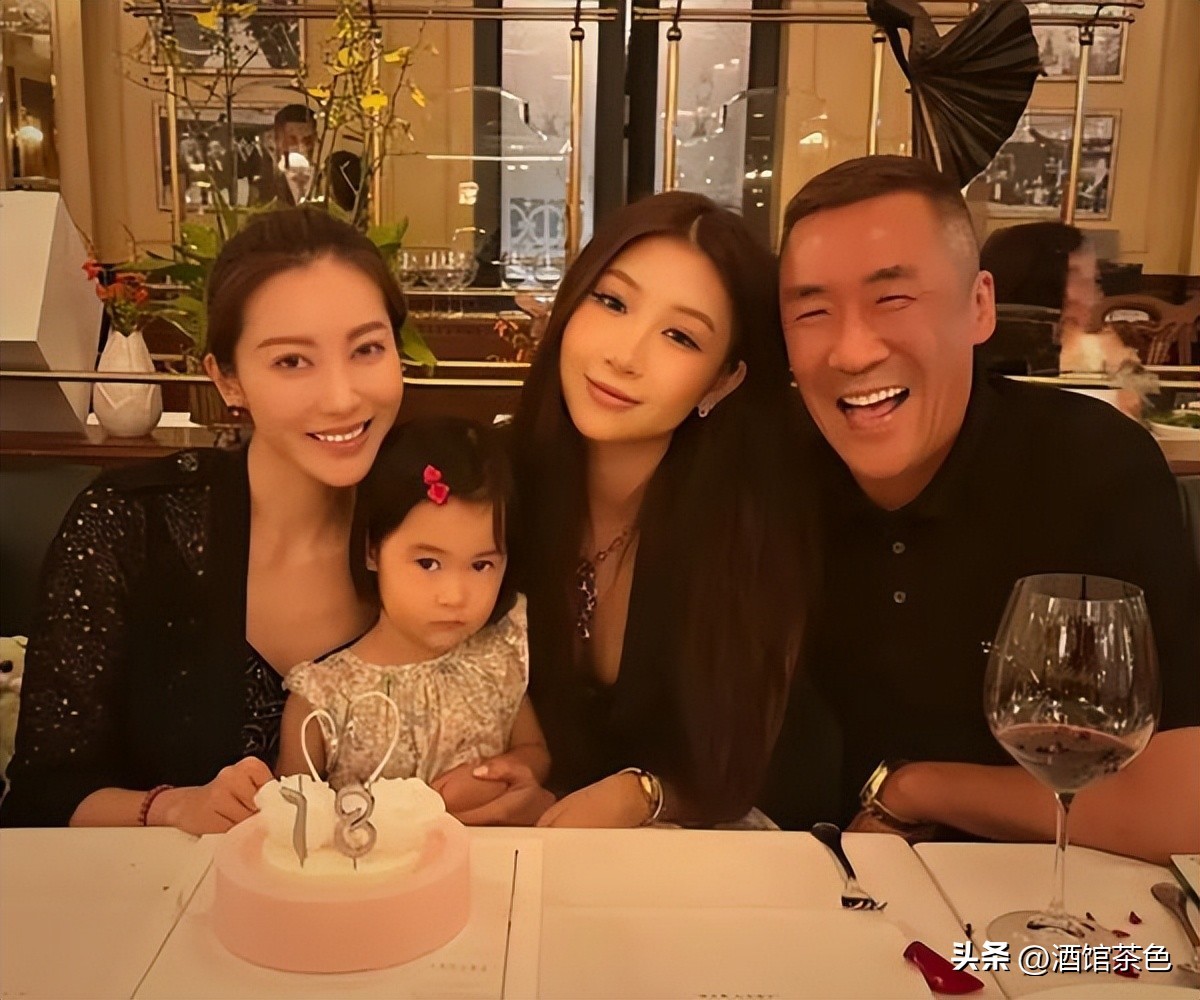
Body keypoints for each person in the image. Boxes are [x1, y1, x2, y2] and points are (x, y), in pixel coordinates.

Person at [764, 155, 1199, 863]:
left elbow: (1179, 807)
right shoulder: (761, 474)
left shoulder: (1090, 469)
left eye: (893, 299)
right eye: (812, 312)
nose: (851, 351)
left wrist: (917, 789)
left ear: (979, 306)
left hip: (1026, 903)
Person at [1, 207, 406, 832]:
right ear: (227, 379)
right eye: (291, 361)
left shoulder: (436, 517)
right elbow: (44, 797)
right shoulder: (131, 523)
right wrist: (172, 806)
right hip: (170, 890)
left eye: (367, 349)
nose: (341, 396)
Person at [468, 191, 819, 828]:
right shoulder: (492, 488)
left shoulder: (749, 524)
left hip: (689, 865)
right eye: (612, 302)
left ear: (724, 380)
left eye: (680, 337)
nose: (624, 356)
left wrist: (645, 794)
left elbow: (742, 766)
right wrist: (510, 774)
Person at [276, 417, 550, 818]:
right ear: (372, 550)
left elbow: (535, 752)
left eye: (481, 565)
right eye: (428, 563)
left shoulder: (498, 659)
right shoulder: (322, 698)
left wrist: (500, 772)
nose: (454, 596)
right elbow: (290, 818)